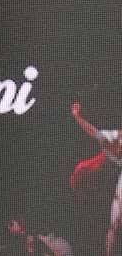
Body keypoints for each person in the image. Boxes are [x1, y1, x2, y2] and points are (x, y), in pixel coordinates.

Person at [71, 102, 122, 256]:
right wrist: (77, 117)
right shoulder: (117, 136)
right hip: (108, 181)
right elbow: (94, 132)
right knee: (113, 224)